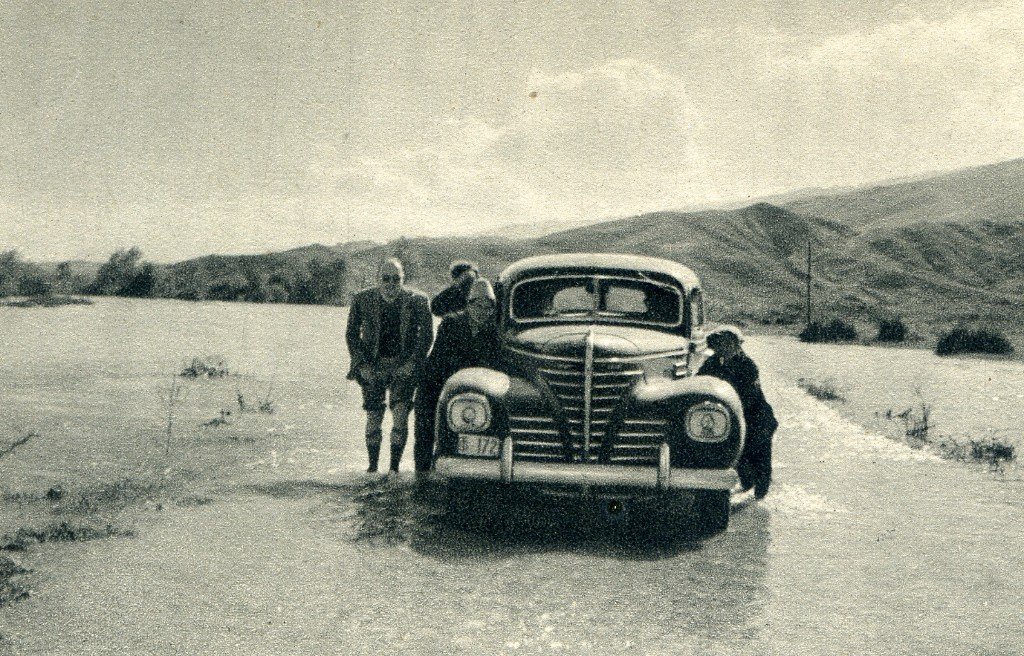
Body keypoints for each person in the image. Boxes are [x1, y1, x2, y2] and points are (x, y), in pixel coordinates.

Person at [346, 258, 433, 474]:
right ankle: (372, 468)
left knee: (401, 415)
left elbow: (426, 337)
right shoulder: (362, 299)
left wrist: (413, 363)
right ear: (378, 279)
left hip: (403, 366)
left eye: (396, 279)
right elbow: (351, 335)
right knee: (373, 417)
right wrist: (361, 365)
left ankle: (394, 470)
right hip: (372, 365)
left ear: (403, 279)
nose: (391, 284)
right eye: (386, 279)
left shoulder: (418, 300)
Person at [413, 278, 502, 473]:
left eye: (488, 308)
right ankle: (422, 477)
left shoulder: (493, 332)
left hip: (463, 389)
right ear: (469, 305)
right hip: (434, 384)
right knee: (425, 435)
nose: (482, 312)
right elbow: (441, 360)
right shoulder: (451, 323)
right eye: (478, 306)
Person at [697, 326, 778, 499]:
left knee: (759, 457)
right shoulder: (712, 362)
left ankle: (760, 496)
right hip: (730, 416)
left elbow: (748, 396)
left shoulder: (747, 365)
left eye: (728, 343)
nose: (723, 346)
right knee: (737, 455)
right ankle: (747, 485)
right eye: (719, 343)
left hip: (756, 418)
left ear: (737, 345)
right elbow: (700, 381)